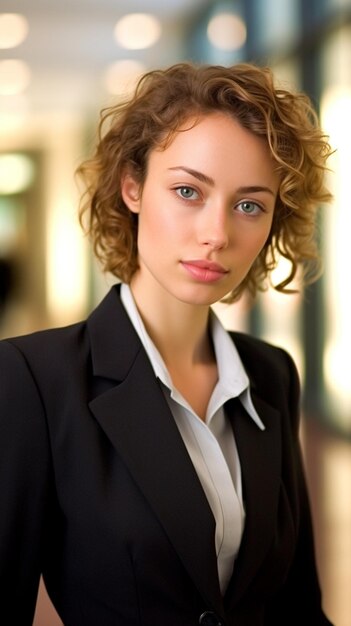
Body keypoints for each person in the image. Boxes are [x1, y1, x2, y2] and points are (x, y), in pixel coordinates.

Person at [0, 62, 334, 626]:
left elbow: (296, 605)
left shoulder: (272, 374)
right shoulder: (34, 379)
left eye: (249, 204)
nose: (217, 234)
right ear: (133, 187)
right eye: (187, 191)